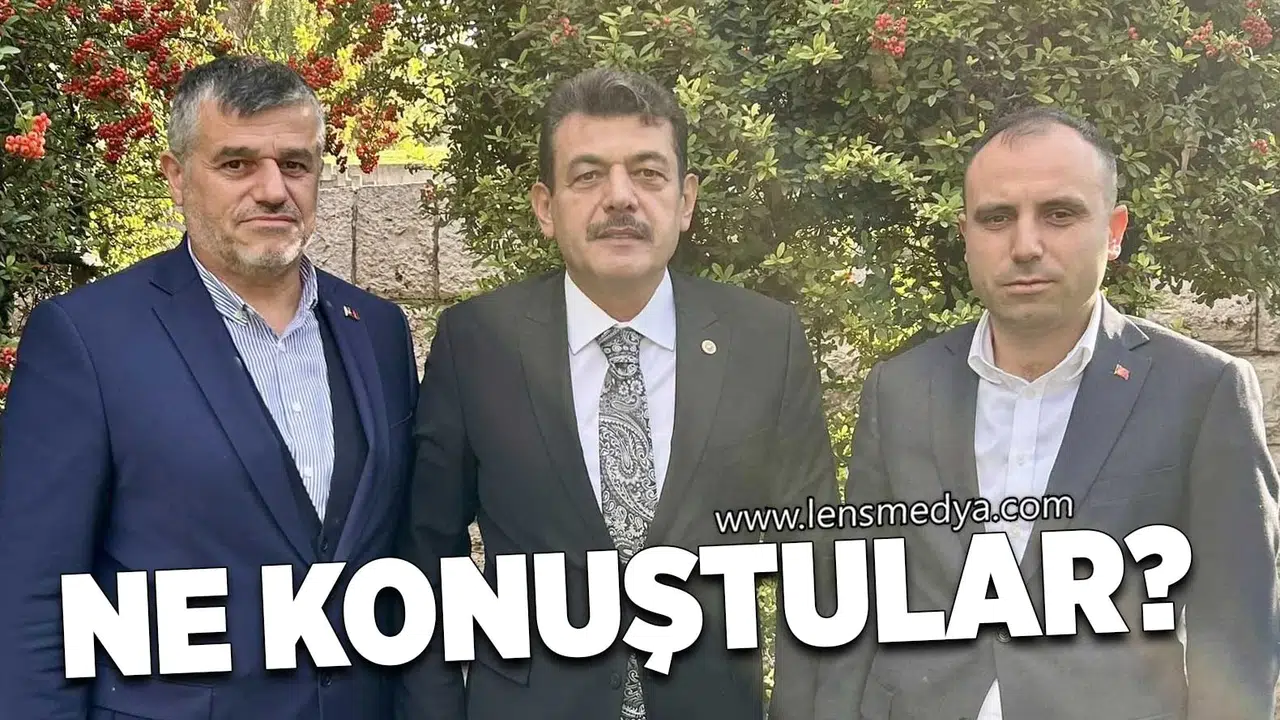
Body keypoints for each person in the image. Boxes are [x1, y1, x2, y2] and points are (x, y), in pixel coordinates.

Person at [393, 66, 841, 720]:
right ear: (546, 208)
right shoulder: (477, 344)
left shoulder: (765, 341)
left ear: (685, 201)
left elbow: (816, 563)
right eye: (588, 175)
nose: (620, 197)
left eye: (649, 173)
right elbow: (427, 553)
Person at [814, 106, 1280, 720]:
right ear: (966, 234)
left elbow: (1239, 639)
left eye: (1059, 214)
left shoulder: (1202, 390)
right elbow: (860, 600)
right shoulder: (899, 388)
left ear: (1113, 230)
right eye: (997, 218)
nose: (1025, 246)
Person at [0, 55, 420, 719]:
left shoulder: (378, 330)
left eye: (295, 164)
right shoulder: (86, 340)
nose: (273, 189)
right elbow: (31, 601)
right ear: (176, 176)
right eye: (237, 164)